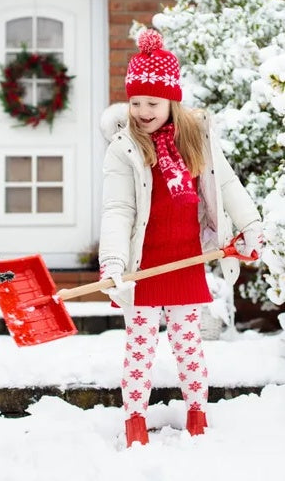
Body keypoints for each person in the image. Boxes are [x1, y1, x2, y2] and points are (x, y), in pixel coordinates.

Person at [98, 28, 263, 448]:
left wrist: (251, 226)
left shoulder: (197, 142)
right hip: (144, 267)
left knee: (188, 346)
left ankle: (196, 414)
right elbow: (118, 211)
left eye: (152, 102)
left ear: (172, 100)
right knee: (139, 350)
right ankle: (134, 420)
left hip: (185, 262)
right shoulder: (124, 149)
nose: (142, 111)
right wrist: (114, 263)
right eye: (135, 102)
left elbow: (226, 186)